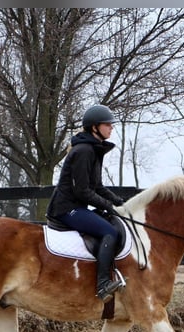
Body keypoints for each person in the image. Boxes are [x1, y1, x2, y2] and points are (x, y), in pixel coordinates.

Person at [47, 104, 126, 302]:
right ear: (94, 128)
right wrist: (106, 205)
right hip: (66, 209)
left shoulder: (94, 149)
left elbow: (97, 186)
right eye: (107, 124)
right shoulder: (84, 151)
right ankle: (102, 285)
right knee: (110, 232)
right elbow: (82, 191)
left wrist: (118, 202)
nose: (111, 128)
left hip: (77, 206)